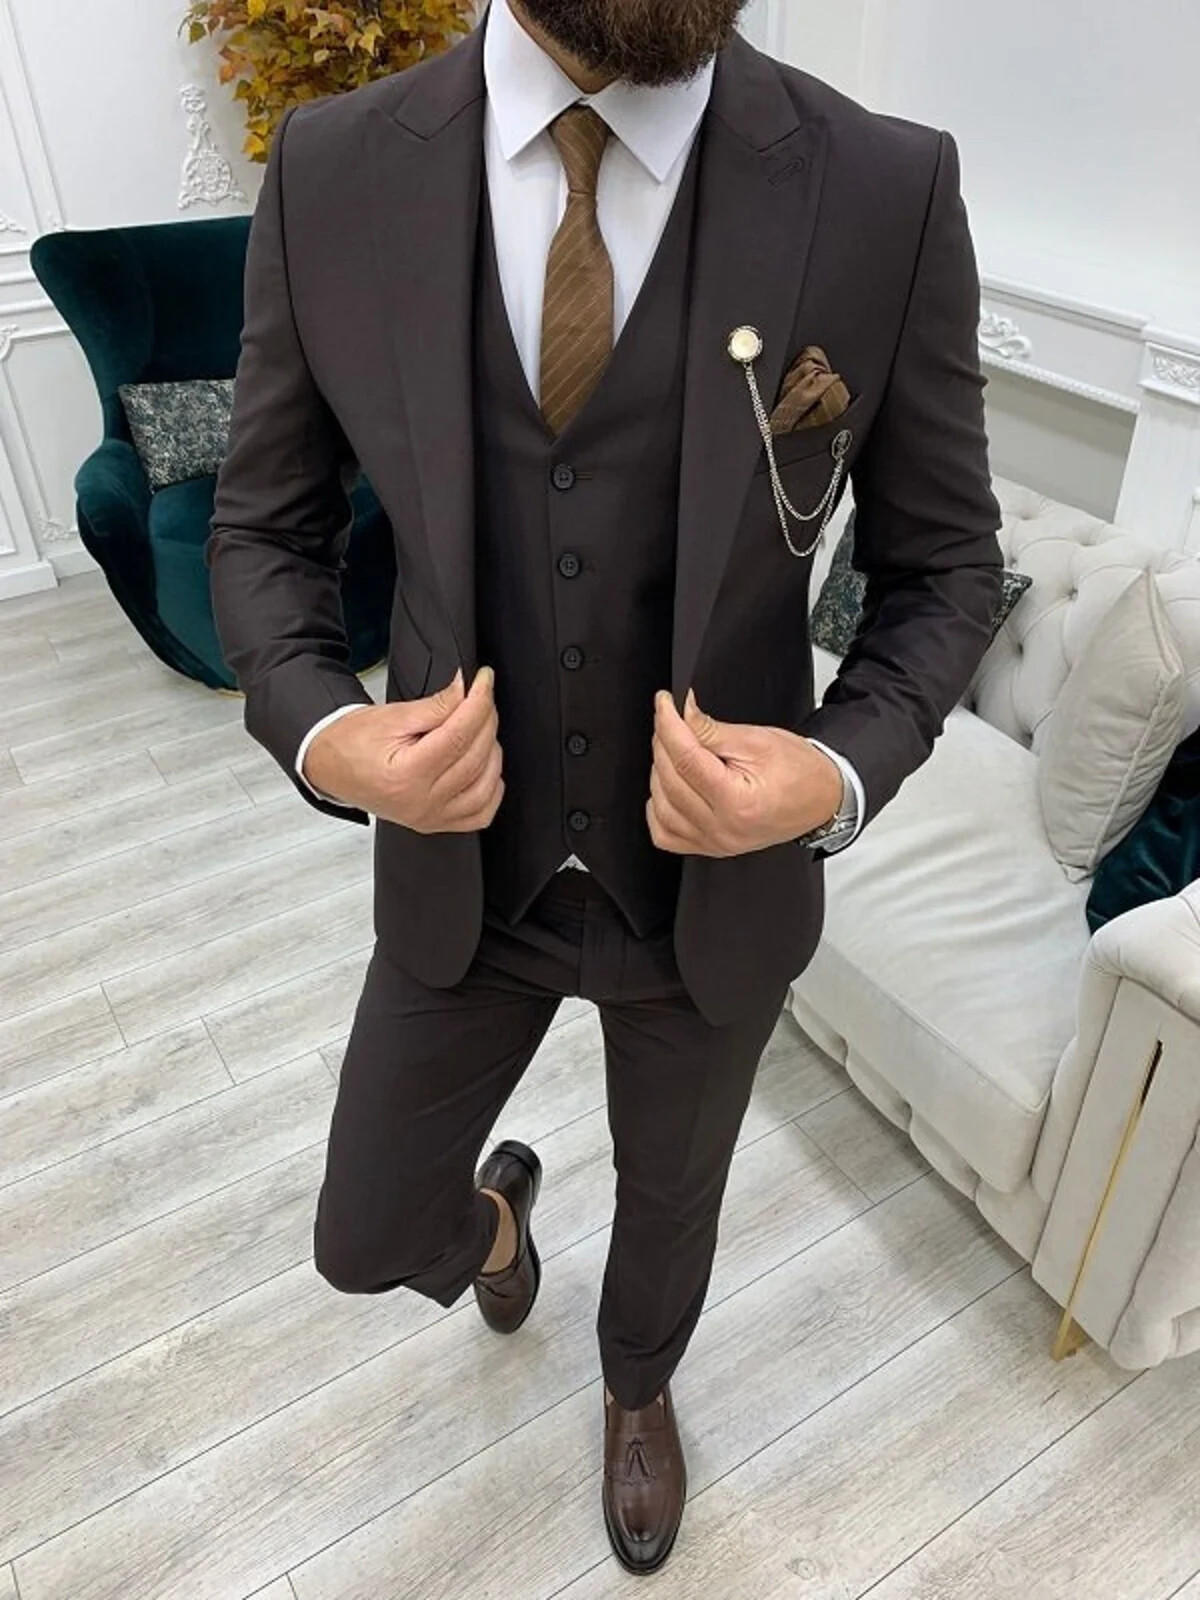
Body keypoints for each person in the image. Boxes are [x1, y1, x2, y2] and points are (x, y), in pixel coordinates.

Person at [206, 0, 1004, 1574]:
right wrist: (324, 732)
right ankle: (499, 1222)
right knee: (365, 1231)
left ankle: (639, 1387)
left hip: (713, 890)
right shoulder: (335, 169)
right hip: (465, 870)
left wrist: (832, 771)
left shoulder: (885, 185)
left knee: (672, 1202)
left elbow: (949, 569)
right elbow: (262, 526)